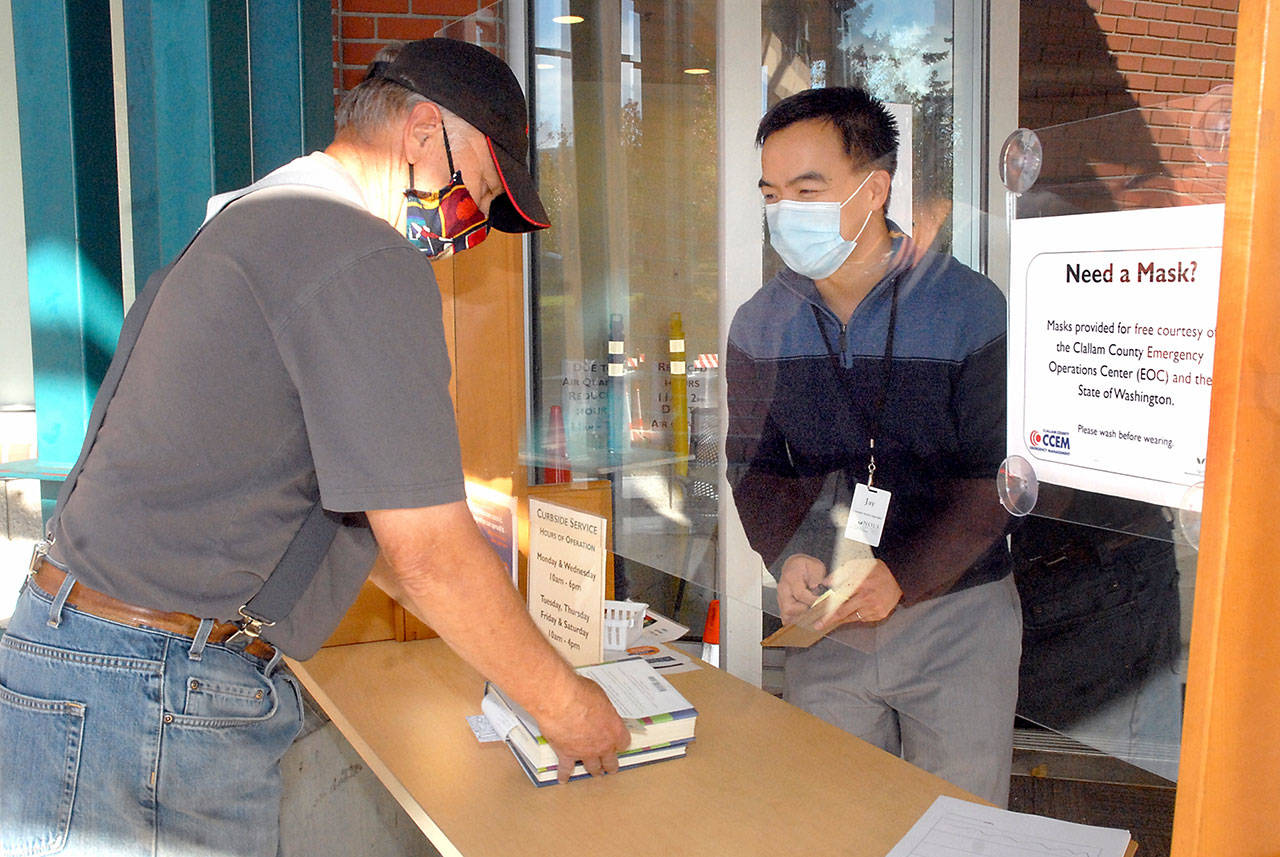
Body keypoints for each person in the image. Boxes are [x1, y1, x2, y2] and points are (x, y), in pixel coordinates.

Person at [0, 38, 628, 857]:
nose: (472, 229)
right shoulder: (358, 250)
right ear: (421, 130)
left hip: (82, 658)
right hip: (149, 690)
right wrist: (567, 704)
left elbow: (355, 525)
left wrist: (475, 593)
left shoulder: (248, 224)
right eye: (476, 189)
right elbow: (429, 553)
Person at [725, 87, 1019, 805]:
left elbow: (998, 480)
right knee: (834, 817)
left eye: (807, 188)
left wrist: (906, 575)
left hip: (957, 612)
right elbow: (752, 463)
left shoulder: (970, 308)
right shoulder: (761, 322)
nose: (783, 211)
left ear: (875, 187)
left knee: (961, 826)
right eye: (771, 192)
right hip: (831, 616)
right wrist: (789, 549)